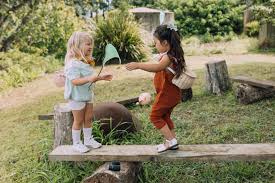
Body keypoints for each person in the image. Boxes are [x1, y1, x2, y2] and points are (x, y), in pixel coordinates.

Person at [126, 24, 186, 153]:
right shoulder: (173, 53)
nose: (155, 46)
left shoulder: (168, 57)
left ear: (164, 42)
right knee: (164, 116)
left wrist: (138, 65)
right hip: (172, 94)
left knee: (155, 116)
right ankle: (171, 141)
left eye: (156, 43)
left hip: (167, 94)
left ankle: (171, 141)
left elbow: (157, 68)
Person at [64, 31, 113, 153]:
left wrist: (101, 77)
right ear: (77, 46)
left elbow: (90, 78)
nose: (91, 47)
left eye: (91, 44)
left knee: (89, 118)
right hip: (77, 97)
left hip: (87, 94)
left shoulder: (84, 62)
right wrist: (89, 78)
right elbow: (75, 81)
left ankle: (88, 139)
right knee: (79, 120)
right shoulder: (73, 64)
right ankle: (76, 143)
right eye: (87, 44)